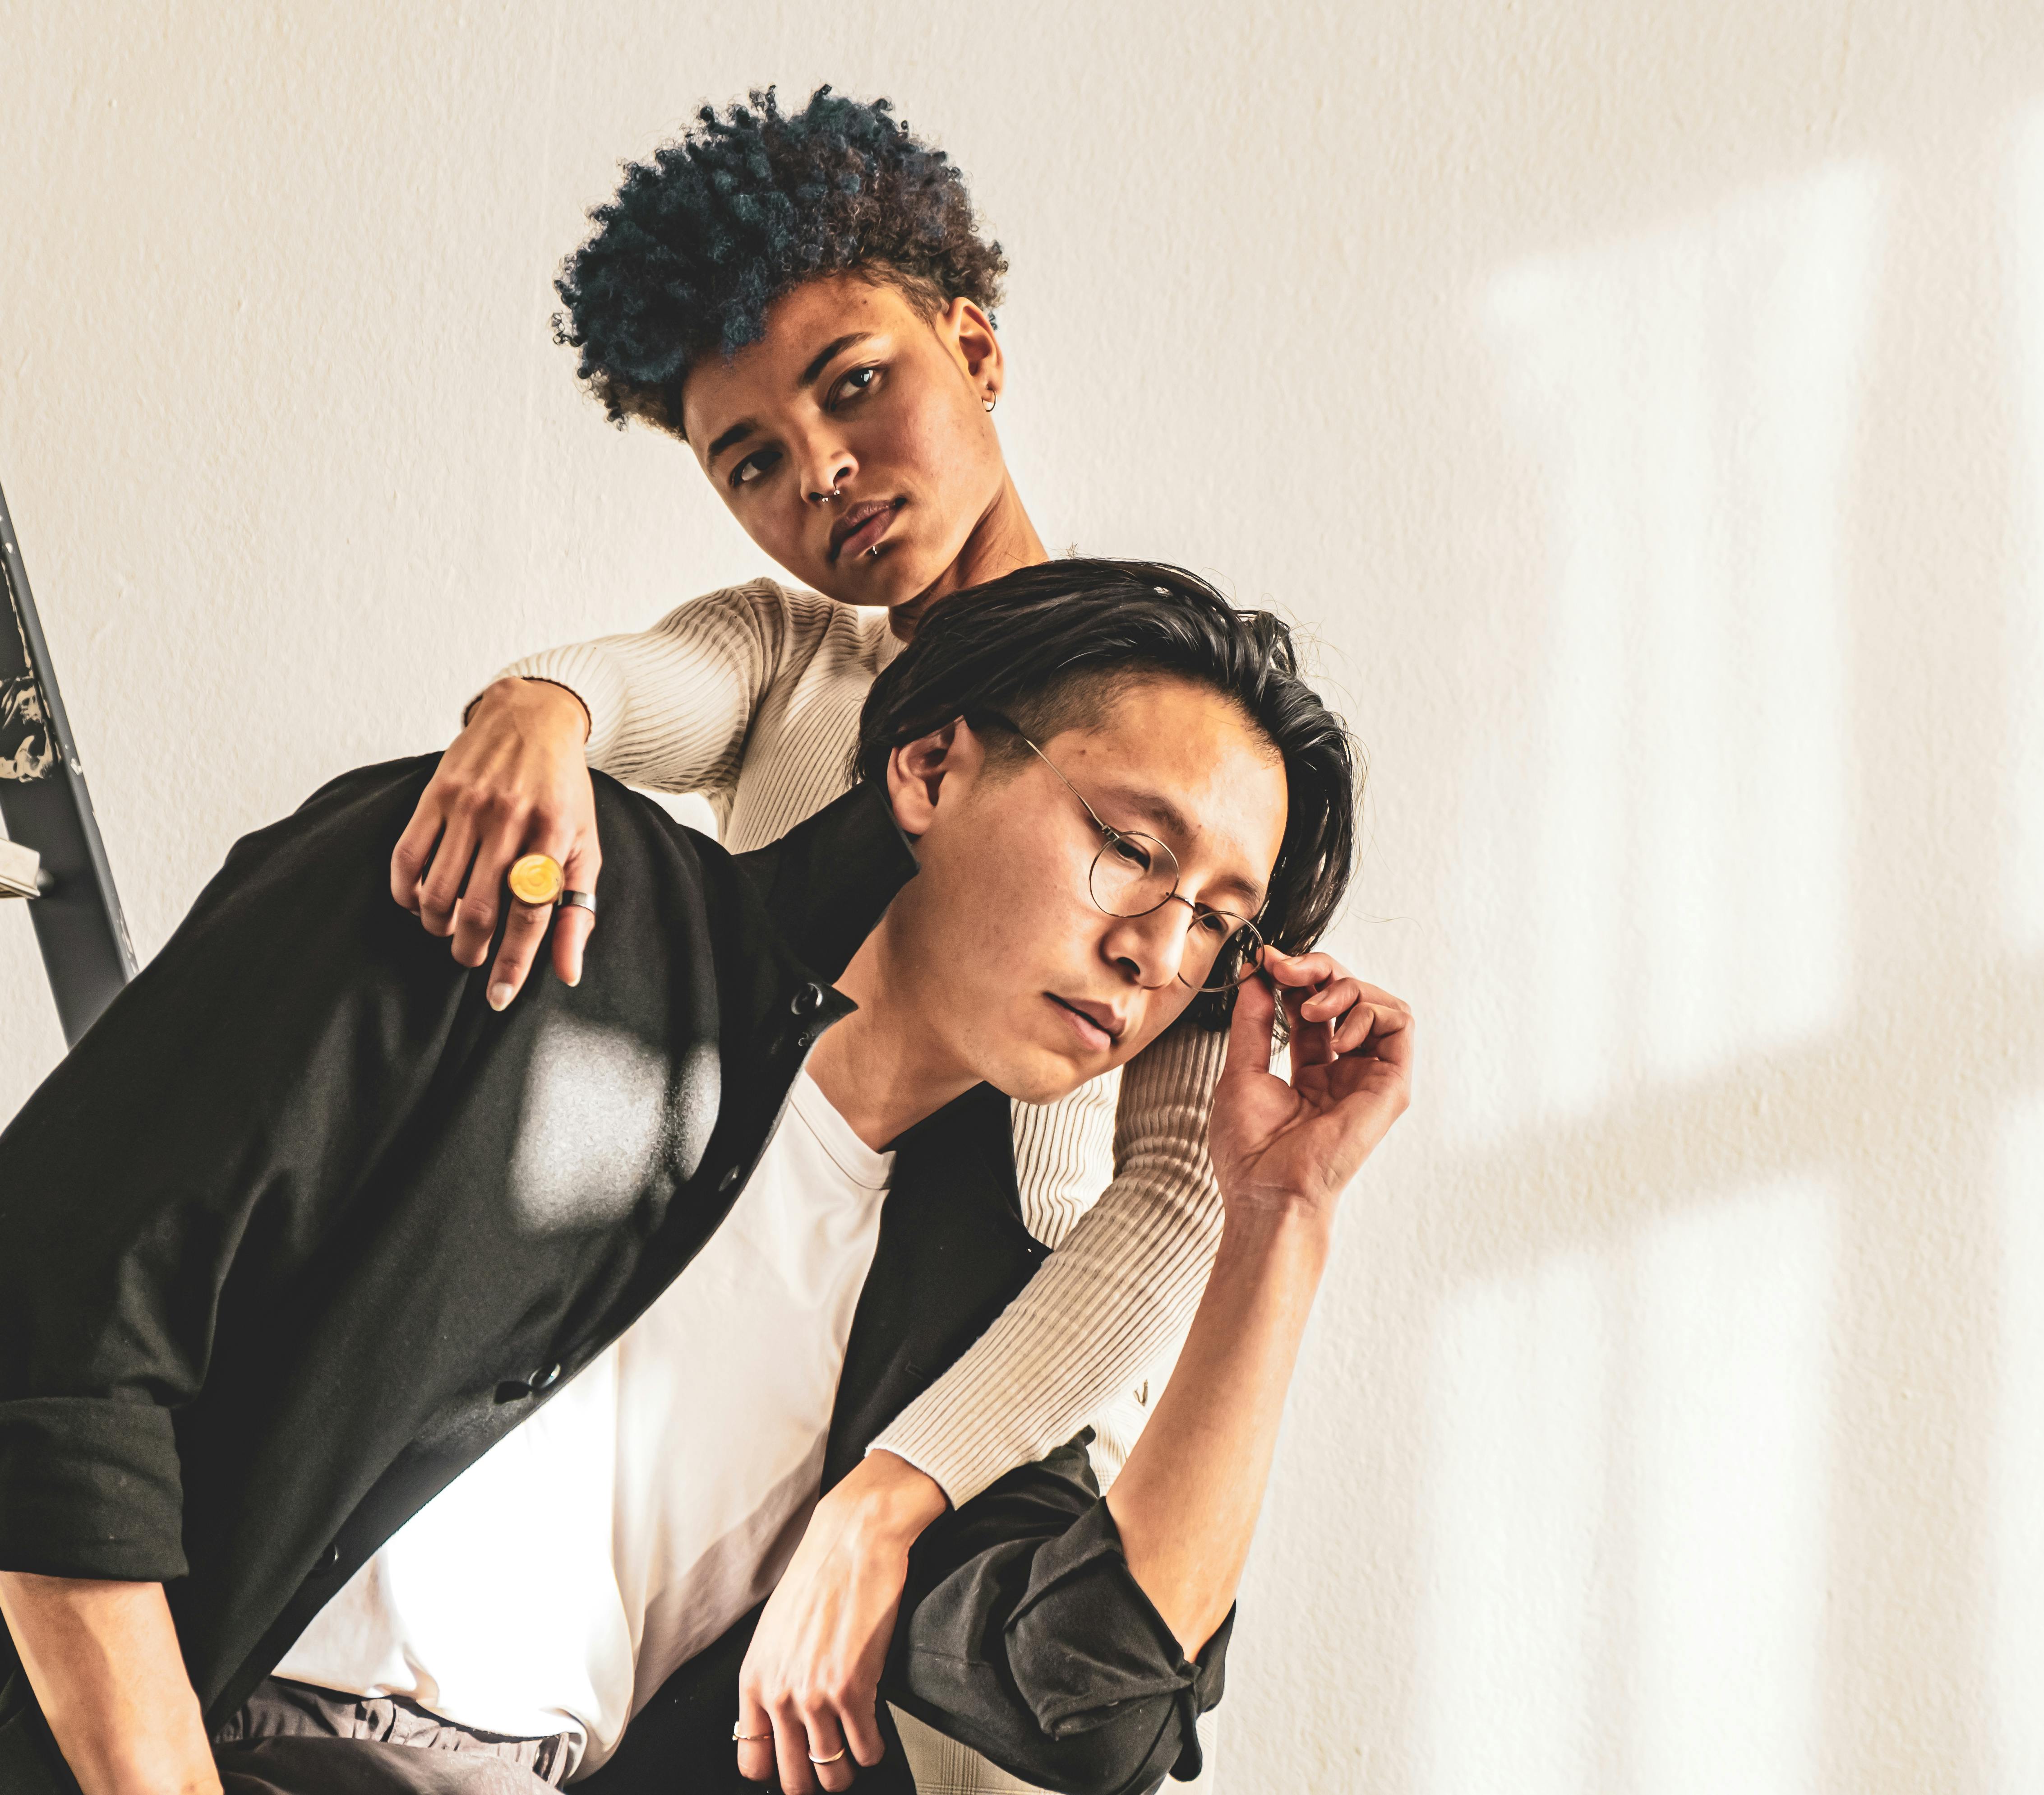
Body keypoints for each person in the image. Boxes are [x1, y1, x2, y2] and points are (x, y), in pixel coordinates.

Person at [0, 563, 1412, 1795]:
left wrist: (1283, 1214)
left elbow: (1089, 1700)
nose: (1158, 955)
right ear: (929, 767)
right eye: (1131, 850)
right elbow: (58, 1325)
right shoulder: (531, 889)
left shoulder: (971, 1309)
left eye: (1218, 924)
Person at [394, 95, 1238, 1786]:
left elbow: (1176, 1192)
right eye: (753, 460)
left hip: (1007, 1469)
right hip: (750, 1446)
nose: (825, 475)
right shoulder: (791, 660)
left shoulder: (1183, 744)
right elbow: (636, 688)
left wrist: (905, 1483)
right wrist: (537, 703)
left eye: (855, 384)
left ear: (975, 343)